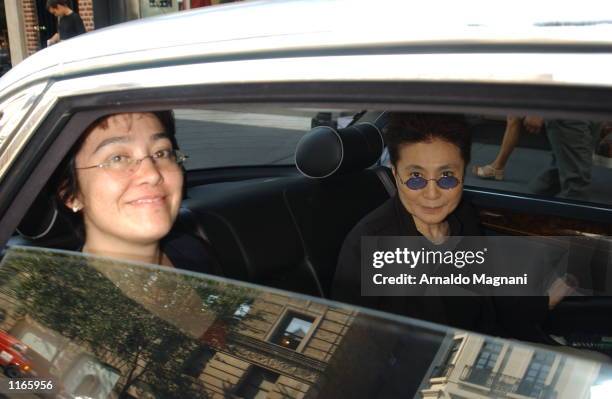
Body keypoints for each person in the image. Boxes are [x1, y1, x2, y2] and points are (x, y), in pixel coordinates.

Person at [331, 113, 571, 338]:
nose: (432, 194)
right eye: (416, 178)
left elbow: (487, 302)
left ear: (463, 175)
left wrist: (542, 302)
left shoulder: (463, 218)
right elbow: (352, 342)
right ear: (396, 175)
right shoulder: (368, 247)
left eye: (447, 176)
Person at [54, 111, 220, 273]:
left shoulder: (193, 251)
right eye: (117, 158)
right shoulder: (68, 296)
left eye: (161, 153)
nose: (152, 175)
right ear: (70, 195)